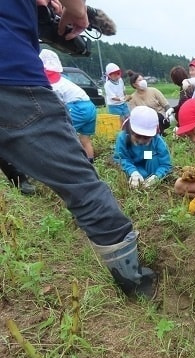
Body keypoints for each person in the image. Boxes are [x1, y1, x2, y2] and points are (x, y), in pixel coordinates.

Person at [0, 0, 155, 298]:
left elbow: (157, 159)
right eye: (139, 136)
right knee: (82, 186)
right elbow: (122, 156)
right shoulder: (125, 139)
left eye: (147, 137)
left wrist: (152, 171)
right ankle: (133, 280)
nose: (143, 140)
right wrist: (133, 169)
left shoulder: (154, 144)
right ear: (130, 129)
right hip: (13, 76)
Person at [39, 48, 97, 163]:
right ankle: (90, 164)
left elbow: (55, 106)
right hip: (90, 106)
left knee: (63, 135)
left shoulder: (54, 86)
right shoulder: (64, 80)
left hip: (77, 107)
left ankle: (70, 163)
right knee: (85, 139)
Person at [114, 106, 173, 189]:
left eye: (146, 137)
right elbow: (121, 158)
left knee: (154, 159)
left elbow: (166, 164)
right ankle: (140, 178)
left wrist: (157, 176)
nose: (141, 141)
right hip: (132, 162)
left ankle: (151, 181)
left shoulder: (157, 140)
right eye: (137, 136)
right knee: (142, 175)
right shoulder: (123, 137)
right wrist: (133, 172)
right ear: (130, 130)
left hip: (147, 157)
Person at [127, 70, 173, 135]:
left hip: (160, 117)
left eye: (142, 79)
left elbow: (165, 103)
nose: (143, 81)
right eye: (140, 80)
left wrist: (169, 114)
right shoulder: (132, 98)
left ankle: (159, 133)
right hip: (145, 120)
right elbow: (135, 113)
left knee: (157, 116)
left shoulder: (153, 90)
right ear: (134, 84)